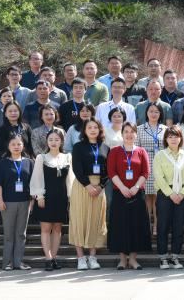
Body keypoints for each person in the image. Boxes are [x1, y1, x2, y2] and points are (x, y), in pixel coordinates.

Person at [107, 122, 152, 270]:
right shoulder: (114, 151)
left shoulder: (141, 151)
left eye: (132, 131)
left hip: (137, 194)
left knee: (136, 225)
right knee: (120, 225)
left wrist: (136, 187)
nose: (129, 134)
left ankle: (133, 259)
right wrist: (122, 187)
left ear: (136, 134)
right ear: (122, 134)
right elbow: (111, 172)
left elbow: (145, 172)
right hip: (119, 193)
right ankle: (122, 260)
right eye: (126, 131)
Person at [31, 126, 73, 271]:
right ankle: (48, 258)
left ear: (61, 141)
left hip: (61, 198)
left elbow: (70, 179)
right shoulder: (41, 158)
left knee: (57, 228)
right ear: (47, 141)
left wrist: (70, 197)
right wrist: (39, 195)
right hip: (46, 196)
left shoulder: (67, 157)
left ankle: (54, 257)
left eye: (57, 139)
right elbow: (37, 178)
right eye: (51, 140)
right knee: (46, 228)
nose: (54, 142)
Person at [70, 118, 109, 270]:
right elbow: (76, 167)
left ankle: (92, 257)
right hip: (82, 186)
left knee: (96, 221)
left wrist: (100, 186)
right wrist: (87, 185)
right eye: (89, 127)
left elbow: (108, 171)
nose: (93, 130)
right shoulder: (78, 147)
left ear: (100, 130)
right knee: (79, 219)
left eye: (95, 127)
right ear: (84, 131)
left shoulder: (105, 147)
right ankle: (80, 258)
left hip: (99, 187)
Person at [153, 126, 184, 269]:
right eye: (170, 137)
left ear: (181, 138)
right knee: (162, 226)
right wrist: (171, 194)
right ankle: (163, 257)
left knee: (179, 227)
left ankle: (175, 257)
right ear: (166, 139)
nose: (173, 139)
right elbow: (158, 177)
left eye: (176, 136)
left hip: (182, 194)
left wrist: (182, 193)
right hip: (165, 194)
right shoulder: (160, 155)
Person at [0, 134, 33, 270]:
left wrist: (32, 202)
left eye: (19, 144)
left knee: (21, 234)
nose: (16, 147)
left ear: (23, 146)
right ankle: (8, 262)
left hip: (25, 202)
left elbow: (33, 184)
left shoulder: (29, 162)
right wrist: (0, 201)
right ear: (8, 146)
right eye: (13, 144)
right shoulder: (3, 163)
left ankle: (18, 262)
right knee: (9, 234)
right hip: (8, 203)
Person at [136, 103, 167, 234]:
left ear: (160, 114)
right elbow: (137, 149)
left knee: (158, 198)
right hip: (146, 164)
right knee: (148, 197)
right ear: (146, 113)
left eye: (156, 112)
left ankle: (156, 226)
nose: (153, 114)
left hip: (161, 165)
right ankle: (147, 225)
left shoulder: (165, 129)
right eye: (151, 111)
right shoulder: (139, 129)